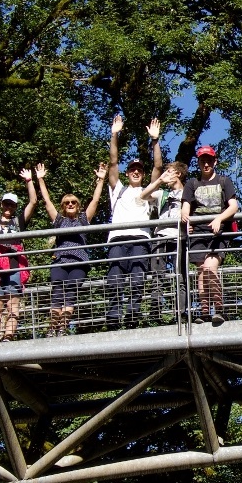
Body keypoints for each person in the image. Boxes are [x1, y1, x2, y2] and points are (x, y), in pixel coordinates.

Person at [104, 114, 163, 329]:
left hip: (140, 239)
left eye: (139, 170)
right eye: (132, 170)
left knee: (138, 279)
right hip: (117, 239)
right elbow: (113, 162)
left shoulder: (150, 191)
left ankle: (133, 314)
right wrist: (114, 134)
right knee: (114, 279)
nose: (136, 172)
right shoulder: (117, 190)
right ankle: (113, 314)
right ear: (127, 173)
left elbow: (158, 167)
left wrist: (155, 141)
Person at [35, 162, 106, 336]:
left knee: (71, 294)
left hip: (79, 262)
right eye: (67, 202)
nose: (70, 204)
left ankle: (63, 328)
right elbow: (47, 201)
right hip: (60, 261)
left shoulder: (83, 220)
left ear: (78, 205)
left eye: (73, 202)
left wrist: (100, 180)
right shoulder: (59, 221)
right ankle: (52, 328)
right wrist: (41, 180)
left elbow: (95, 200)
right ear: (63, 206)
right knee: (57, 294)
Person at [0, 163, 37, 342]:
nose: (9, 207)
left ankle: (9, 335)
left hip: (13, 264)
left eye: (12, 205)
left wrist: (29, 181)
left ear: (15, 206)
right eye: (6, 203)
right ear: (2, 204)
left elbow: (33, 202)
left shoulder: (19, 221)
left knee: (13, 303)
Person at [182, 144, 239, 324]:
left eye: (209, 160)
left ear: (215, 161)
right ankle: (205, 311)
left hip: (218, 232)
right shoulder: (191, 183)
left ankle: (219, 309)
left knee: (209, 268)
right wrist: (186, 222)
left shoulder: (224, 181)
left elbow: (234, 206)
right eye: (202, 161)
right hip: (198, 233)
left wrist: (219, 219)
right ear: (198, 162)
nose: (206, 164)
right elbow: (185, 209)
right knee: (201, 272)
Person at [140, 155, 188, 322]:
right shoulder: (162, 193)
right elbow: (144, 196)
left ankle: (180, 313)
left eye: (169, 172)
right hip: (161, 236)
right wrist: (159, 180)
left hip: (180, 237)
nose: (166, 175)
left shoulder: (188, 192)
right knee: (157, 275)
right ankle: (155, 311)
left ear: (178, 174)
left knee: (180, 276)